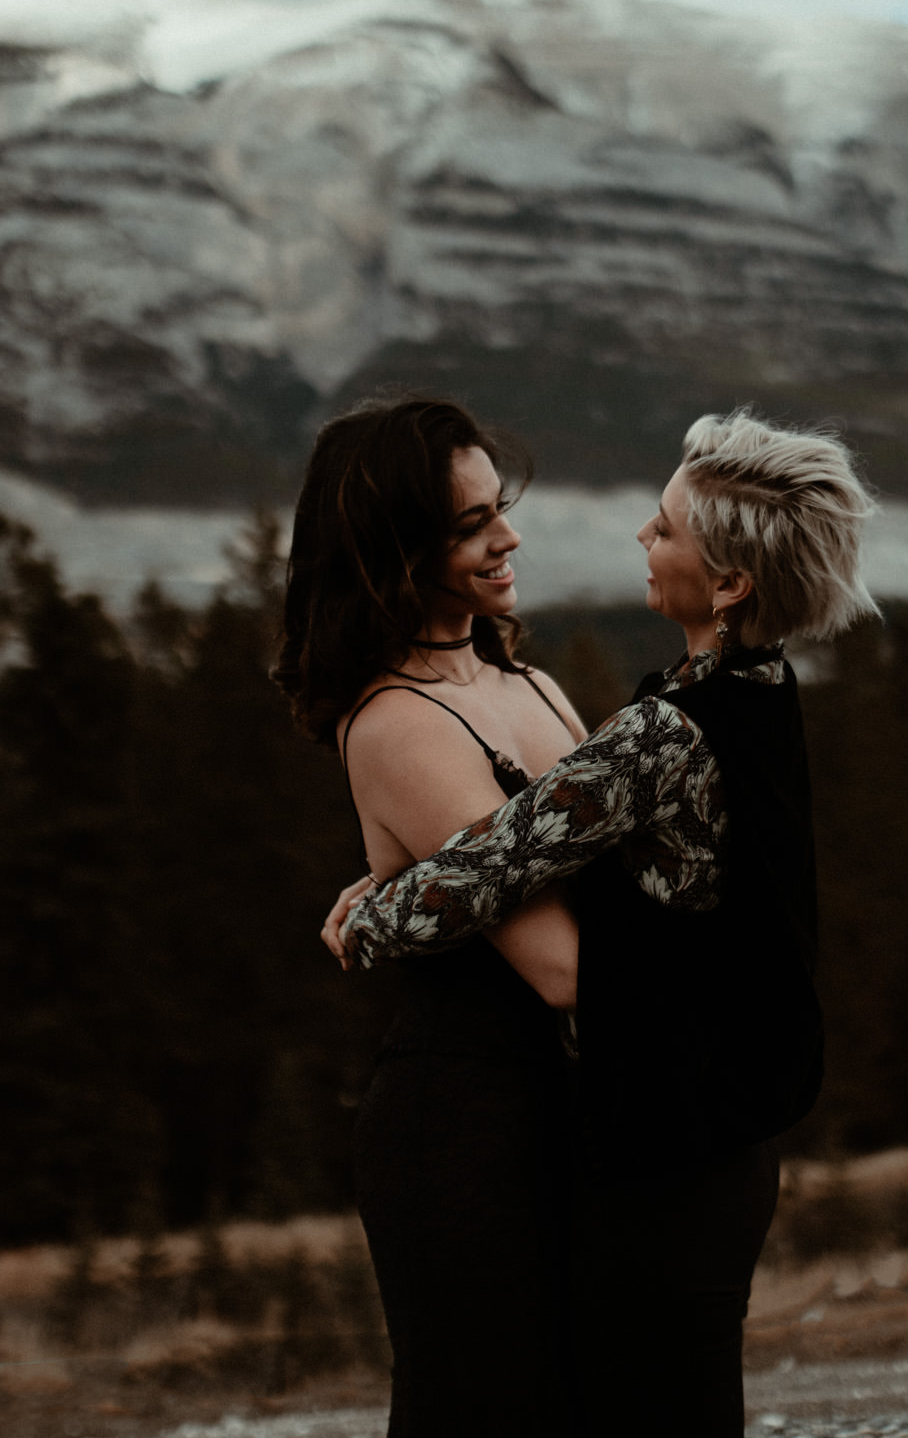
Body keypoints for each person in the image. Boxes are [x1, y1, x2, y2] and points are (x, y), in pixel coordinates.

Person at [324, 408, 880, 1437]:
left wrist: (374, 912)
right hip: (669, 1121)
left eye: (664, 527)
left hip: (671, 1132)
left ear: (729, 584)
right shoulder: (763, 692)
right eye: (474, 520)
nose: (640, 538)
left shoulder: (662, 728)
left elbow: (491, 869)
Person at [273, 397, 591, 1438]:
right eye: (467, 526)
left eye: (499, 509)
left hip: (571, 1112)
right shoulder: (398, 720)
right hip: (469, 1133)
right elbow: (563, 966)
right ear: (391, 549)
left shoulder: (530, 683)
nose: (507, 539)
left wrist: (400, 897)